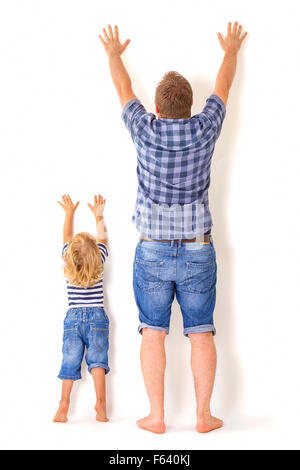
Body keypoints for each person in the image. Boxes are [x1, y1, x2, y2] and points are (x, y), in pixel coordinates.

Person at [99, 22, 247, 433]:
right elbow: (223, 88)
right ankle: (203, 417)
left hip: (152, 250)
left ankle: (157, 417)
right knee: (201, 333)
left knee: (152, 333)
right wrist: (231, 49)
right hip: (199, 249)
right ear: (191, 105)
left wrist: (114, 54)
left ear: (158, 109)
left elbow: (124, 90)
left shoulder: (144, 130)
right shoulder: (206, 128)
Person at [53, 194, 110, 423]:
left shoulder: (68, 260)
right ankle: (102, 406)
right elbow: (103, 239)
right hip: (97, 316)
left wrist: (69, 213)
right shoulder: (101, 258)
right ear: (96, 254)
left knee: (69, 361)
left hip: (73, 317)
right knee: (98, 362)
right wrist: (99, 215)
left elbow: (66, 236)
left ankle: (63, 404)